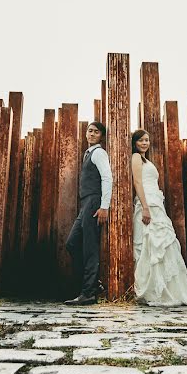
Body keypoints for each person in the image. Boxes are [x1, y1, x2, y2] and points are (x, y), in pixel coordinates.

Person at [131, 129, 187, 306]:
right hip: (148, 203)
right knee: (149, 244)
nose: (144, 143)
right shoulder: (135, 157)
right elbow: (137, 182)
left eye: (147, 140)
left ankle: (167, 289)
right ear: (135, 143)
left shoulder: (146, 160)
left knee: (163, 244)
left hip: (155, 202)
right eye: (141, 140)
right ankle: (152, 289)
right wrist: (145, 207)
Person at [64, 121, 112, 305]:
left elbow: (107, 178)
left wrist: (104, 206)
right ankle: (94, 284)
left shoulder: (99, 153)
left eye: (96, 132)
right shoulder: (88, 154)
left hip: (93, 203)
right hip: (85, 204)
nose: (91, 134)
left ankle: (88, 293)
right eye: (89, 131)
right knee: (72, 243)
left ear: (101, 136)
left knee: (90, 248)